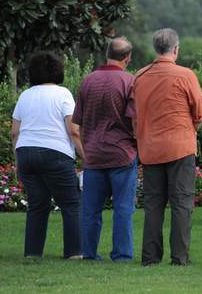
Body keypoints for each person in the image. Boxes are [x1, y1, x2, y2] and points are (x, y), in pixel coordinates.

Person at [134, 28, 202, 266]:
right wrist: (192, 127)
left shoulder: (140, 76)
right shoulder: (186, 75)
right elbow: (199, 112)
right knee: (182, 203)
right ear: (176, 49)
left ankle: (150, 257)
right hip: (180, 146)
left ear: (155, 48)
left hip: (150, 148)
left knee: (153, 205)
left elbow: (136, 113)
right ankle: (179, 257)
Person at [11, 51, 85, 259]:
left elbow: (15, 132)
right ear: (58, 72)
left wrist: (18, 162)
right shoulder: (63, 94)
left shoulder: (25, 95)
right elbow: (73, 130)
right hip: (55, 153)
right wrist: (84, 156)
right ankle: (74, 252)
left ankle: (32, 253)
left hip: (25, 152)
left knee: (37, 204)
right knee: (71, 203)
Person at [72, 37, 138, 261]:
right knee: (123, 209)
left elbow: (77, 121)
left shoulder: (88, 81)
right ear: (127, 58)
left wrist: (86, 148)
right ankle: (121, 254)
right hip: (122, 153)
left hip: (93, 154)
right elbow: (134, 119)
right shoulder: (129, 81)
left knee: (90, 210)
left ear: (107, 52)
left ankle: (89, 253)